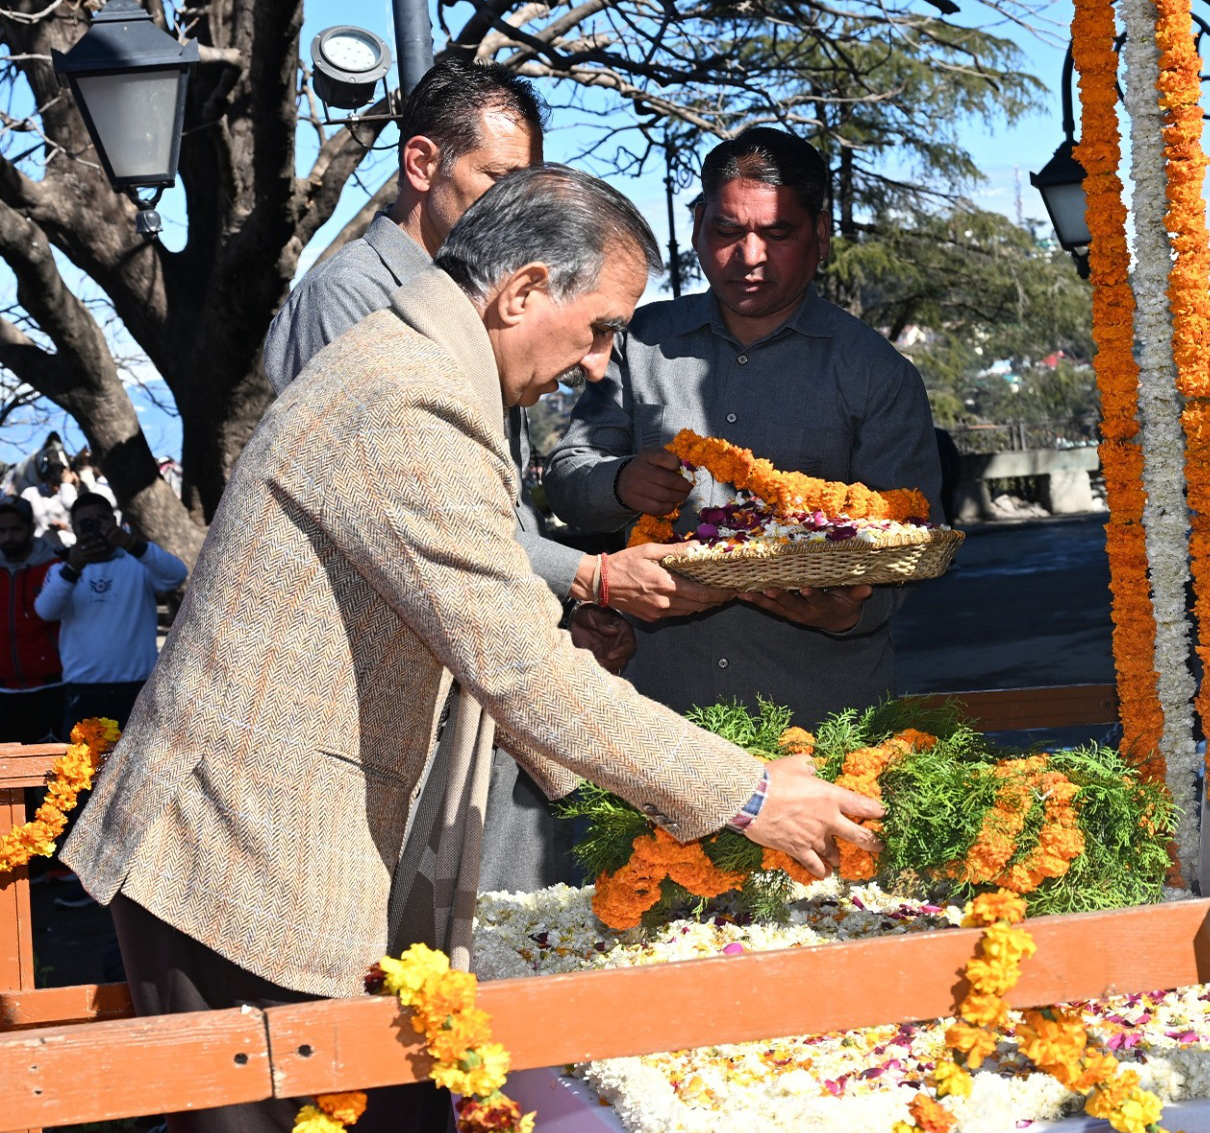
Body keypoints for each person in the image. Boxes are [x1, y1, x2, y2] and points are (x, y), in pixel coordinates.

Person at [62, 166, 881, 1133]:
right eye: (602, 328)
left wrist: (663, 800)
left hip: (272, 856)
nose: (596, 367)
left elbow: (492, 643)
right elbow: (520, 667)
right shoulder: (409, 399)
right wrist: (742, 796)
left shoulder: (420, 372)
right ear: (523, 290)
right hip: (234, 866)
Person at [263, 57, 727, 894]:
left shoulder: (477, 312)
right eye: (498, 180)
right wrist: (587, 577)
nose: (518, 208)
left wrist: (564, 604)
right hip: (350, 739)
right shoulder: (365, 315)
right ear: (421, 166)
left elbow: (495, 509)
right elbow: (427, 529)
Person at [544, 128, 944, 728]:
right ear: (700, 224)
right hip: (655, 714)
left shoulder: (875, 374)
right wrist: (621, 483)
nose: (749, 256)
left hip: (821, 720)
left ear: (821, 235)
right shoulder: (635, 344)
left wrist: (847, 613)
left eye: (777, 234)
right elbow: (566, 481)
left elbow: (912, 533)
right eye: (728, 232)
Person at [33, 493, 188, 736]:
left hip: (138, 687)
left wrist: (132, 545)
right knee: (80, 770)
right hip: (84, 689)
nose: (96, 526)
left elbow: (176, 574)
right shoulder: (61, 571)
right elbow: (46, 611)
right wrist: (73, 568)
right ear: (74, 527)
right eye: (86, 522)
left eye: (102, 519)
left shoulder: (137, 563)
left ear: (114, 520)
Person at [0, 496, 64, 745]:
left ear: (30, 529)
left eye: (15, 529)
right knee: (7, 776)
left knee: (54, 775)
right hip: (3, 690)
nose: (8, 537)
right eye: (2, 530)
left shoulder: (56, 566)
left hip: (51, 687)